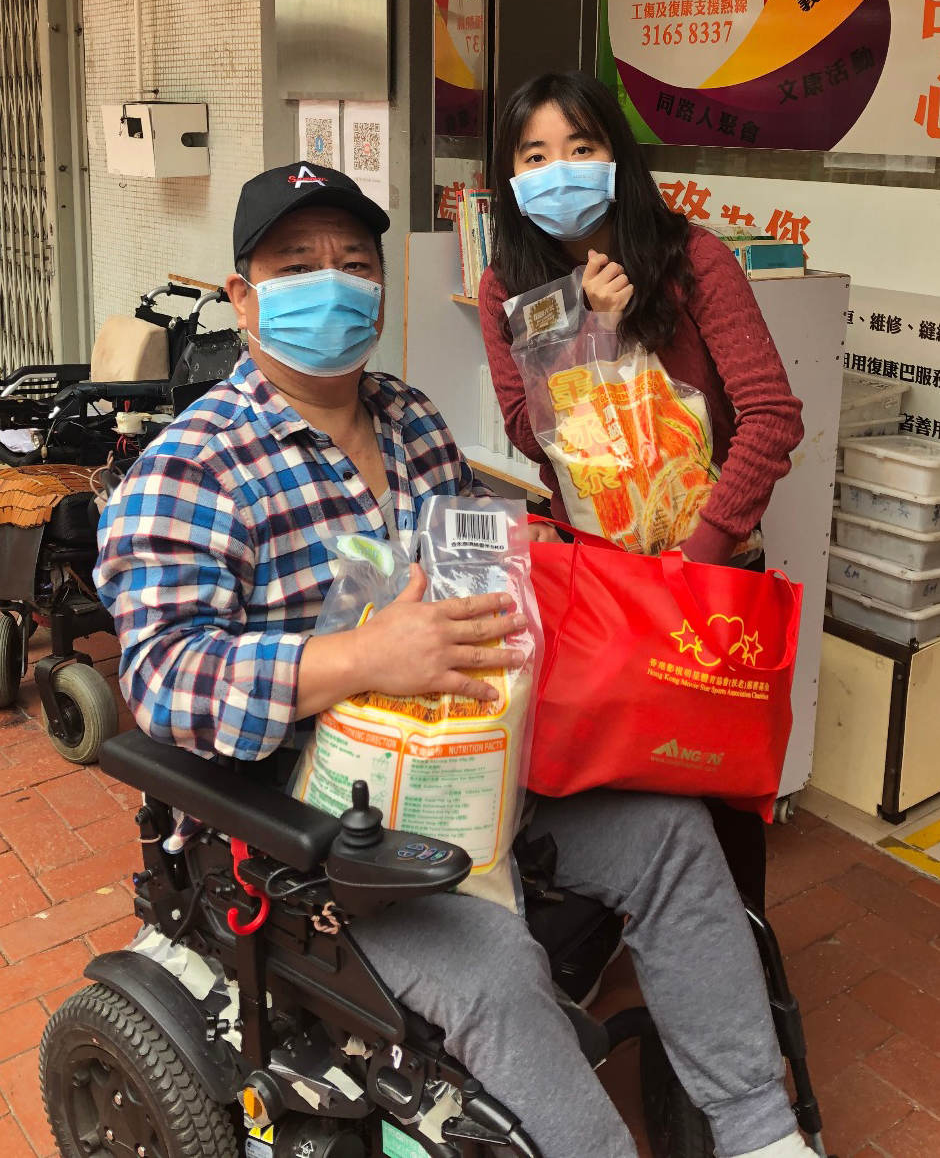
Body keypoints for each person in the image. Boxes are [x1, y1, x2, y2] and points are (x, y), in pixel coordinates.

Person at [95, 162, 815, 1158]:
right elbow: (167, 685)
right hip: (318, 825)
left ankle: (759, 1133)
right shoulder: (191, 466)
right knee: (495, 970)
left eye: (354, 262)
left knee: (670, 834)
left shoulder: (412, 418)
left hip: (476, 767)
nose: (332, 282)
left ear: (381, 290)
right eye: (296, 264)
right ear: (243, 297)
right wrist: (359, 655)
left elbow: (487, 567)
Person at [478, 72, 806, 913]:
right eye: (537, 154)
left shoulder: (694, 259)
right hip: (602, 580)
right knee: (611, 770)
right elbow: (526, 429)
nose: (561, 168)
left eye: (581, 148)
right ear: (511, 176)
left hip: (709, 572)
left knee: (718, 780)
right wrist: (582, 325)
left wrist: (698, 558)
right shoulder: (505, 286)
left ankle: (738, 985)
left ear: (616, 156)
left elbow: (770, 419)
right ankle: (628, 941)